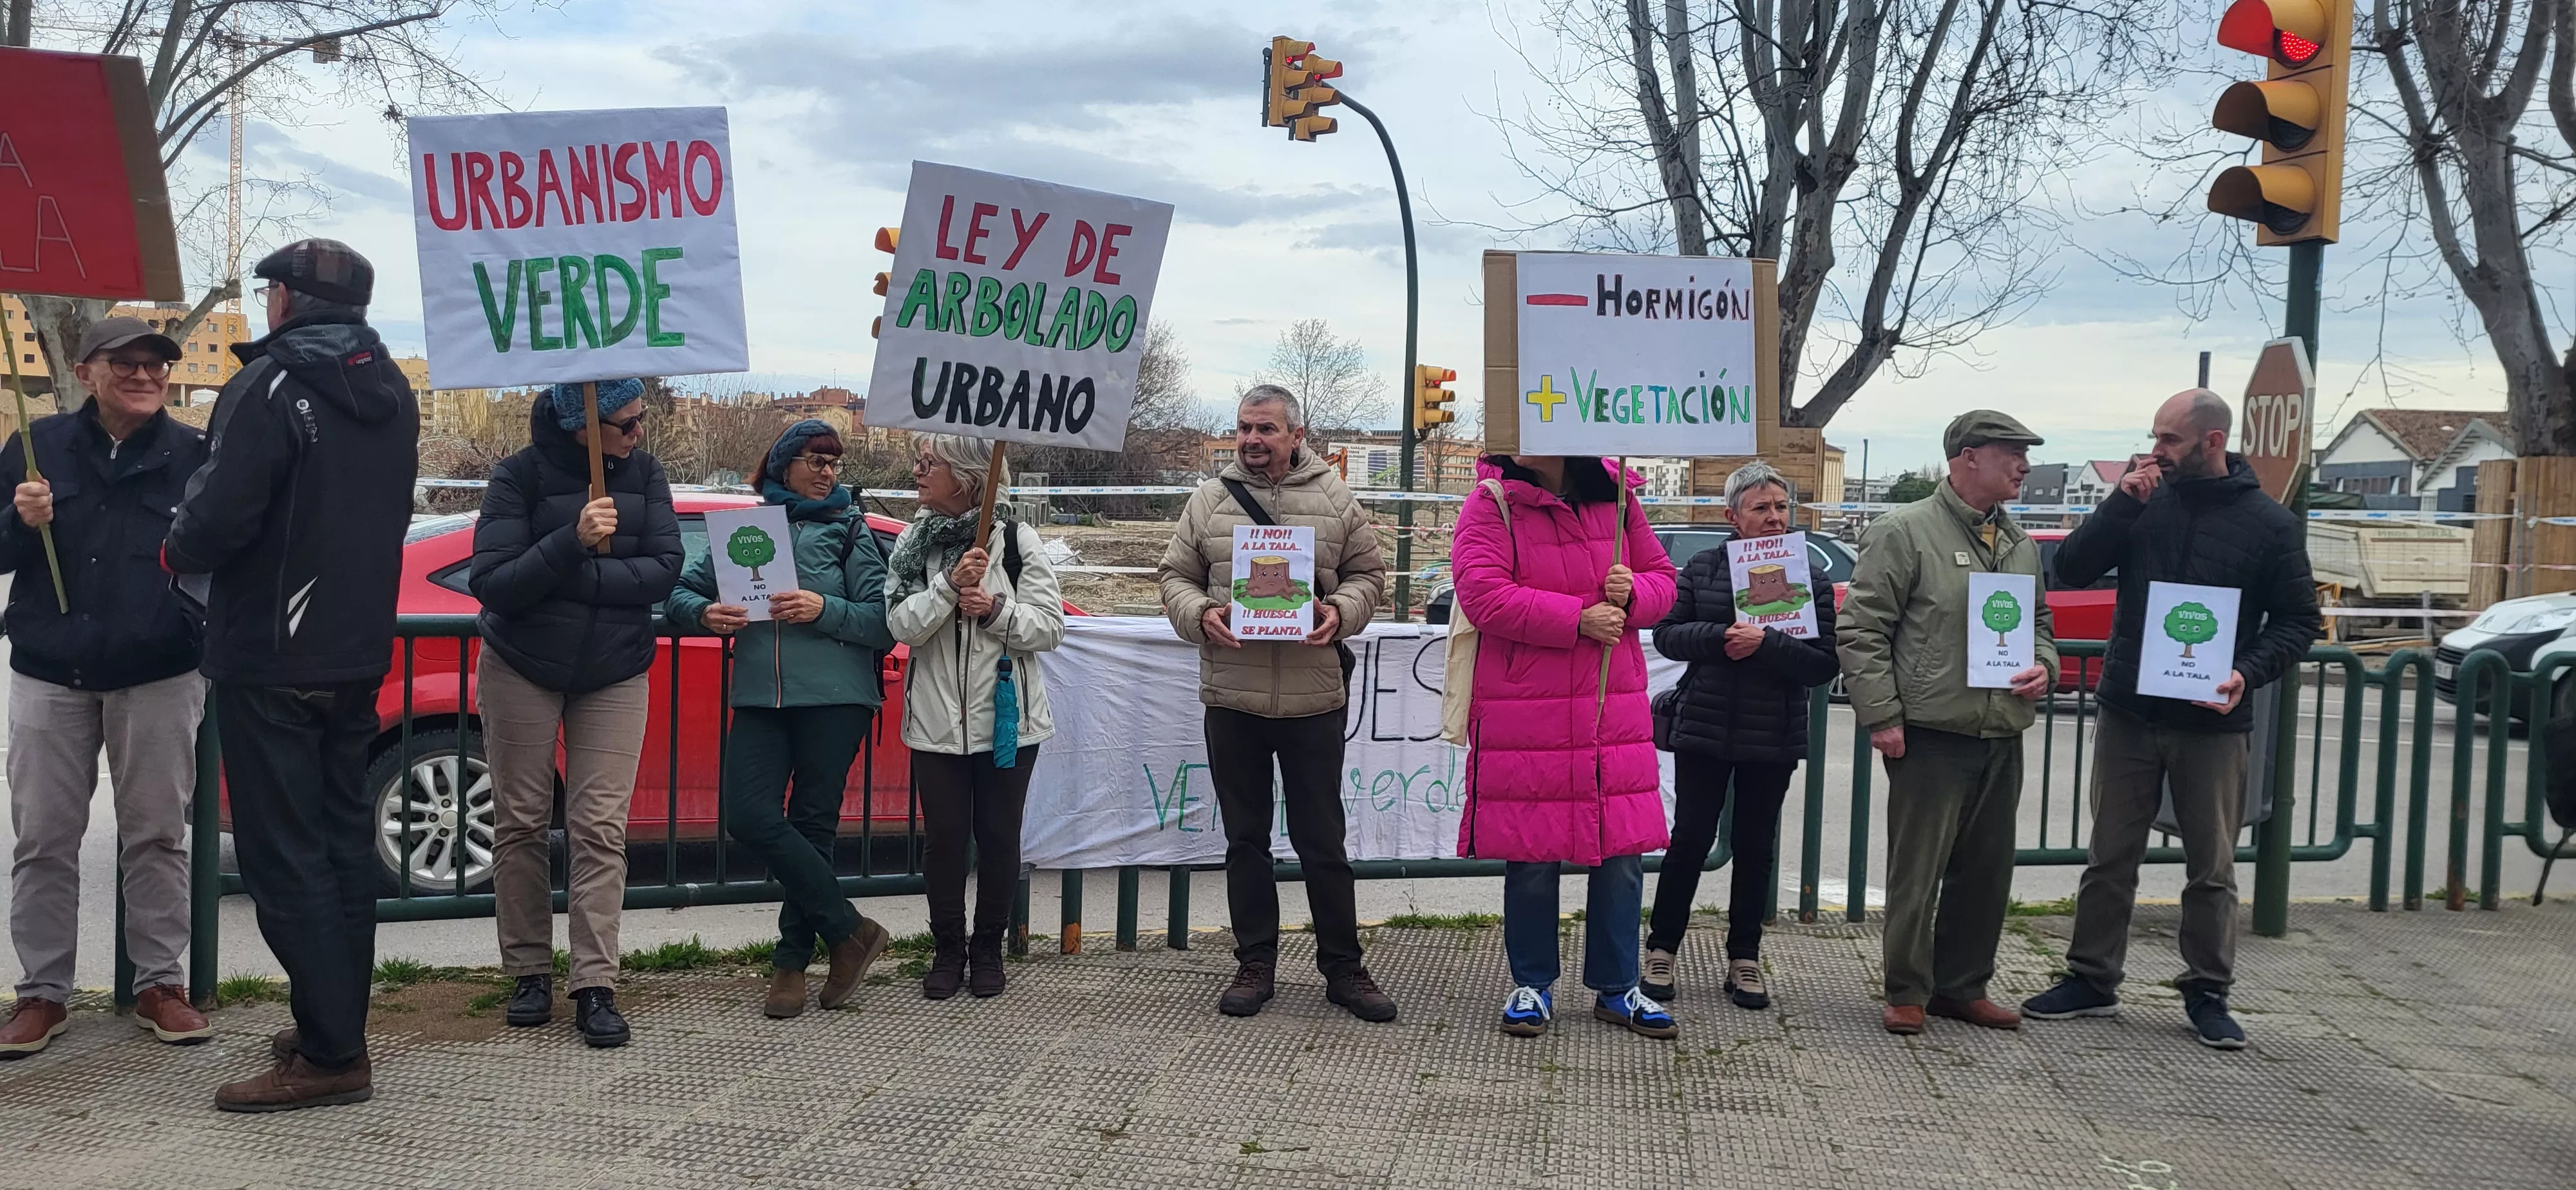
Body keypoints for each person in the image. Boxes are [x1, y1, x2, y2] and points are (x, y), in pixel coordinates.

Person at [165, 239, 417, 1110]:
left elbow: (214, 518)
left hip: (272, 654)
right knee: (346, 848)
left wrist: (173, 545)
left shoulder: (269, 384)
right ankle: (330, 1022)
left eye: (270, 289)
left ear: (287, 302)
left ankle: (333, 1055)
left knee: (282, 862)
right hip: (355, 654)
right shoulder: (392, 389)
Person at [2019, 390, 2318, 1050]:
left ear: (2212, 443)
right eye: (2153, 436)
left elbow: (2299, 623)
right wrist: (2121, 502)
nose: (2156, 450)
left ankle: (2208, 990)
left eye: (2170, 440)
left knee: (2210, 865)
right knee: (2109, 855)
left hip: (2211, 723)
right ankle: (2091, 979)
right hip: (2129, 709)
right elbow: (2068, 569)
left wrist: (2245, 672)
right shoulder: (2142, 502)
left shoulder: (2269, 524)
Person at [0, 318, 211, 1059]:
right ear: (88, 370)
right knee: (44, 842)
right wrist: (21, 524)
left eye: (157, 364)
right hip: (49, 674)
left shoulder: (195, 455)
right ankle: (43, 994)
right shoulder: (35, 447)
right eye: (127, 362)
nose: (146, 374)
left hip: (159, 674)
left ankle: (161, 984)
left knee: (157, 836)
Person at [1154, 386, 1396, 1023]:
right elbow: (1172, 577)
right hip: (1233, 697)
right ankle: (1254, 963)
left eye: (1265, 429)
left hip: (1314, 700)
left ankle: (1344, 968)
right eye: (1243, 428)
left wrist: (1338, 612)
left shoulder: (1337, 497)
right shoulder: (1208, 501)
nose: (1252, 440)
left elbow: (1370, 577)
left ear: (1295, 434)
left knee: (1323, 843)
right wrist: (1201, 614)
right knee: (1245, 841)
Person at [469, 377, 682, 1048]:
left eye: (641, 419)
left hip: (615, 669)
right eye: (625, 423)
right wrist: (571, 539)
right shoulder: (517, 476)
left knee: (598, 827)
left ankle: (596, 983)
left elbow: (663, 571)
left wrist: (575, 579)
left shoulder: (646, 476)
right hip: (522, 665)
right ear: (580, 426)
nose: (638, 433)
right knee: (523, 822)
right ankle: (528, 971)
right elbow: (494, 583)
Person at [668, 420, 896, 1018]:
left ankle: (791, 963)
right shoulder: (745, 528)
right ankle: (851, 931)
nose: (827, 473)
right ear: (783, 464)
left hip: (836, 698)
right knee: (747, 816)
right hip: (759, 698)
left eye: (833, 464)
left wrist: (822, 609)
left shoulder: (850, 530)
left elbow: (881, 621)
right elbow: (681, 594)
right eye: (815, 461)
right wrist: (705, 613)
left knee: (813, 827)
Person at [1838, 410, 2056, 1037]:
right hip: (1929, 732)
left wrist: (2043, 665)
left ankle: (1962, 987)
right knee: (1918, 870)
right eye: (2011, 452)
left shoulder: (2017, 542)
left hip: (1999, 729)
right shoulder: (1903, 531)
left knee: (1986, 872)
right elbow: (1861, 628)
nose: (2024, 465)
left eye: (2025, 453)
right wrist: (1881, 715)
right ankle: (1906, 989)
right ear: (1967, 457)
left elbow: (2038, 623)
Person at [1454, 453, 1680, 1040]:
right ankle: (1532, 983)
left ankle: (1619, 987)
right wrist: (1579, 618)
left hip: (1612, 708)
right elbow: (1482, 595)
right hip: (1529, 709)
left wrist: (1635, 596)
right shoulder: (1492, 502)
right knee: (1531, 854)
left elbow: (1664, 582)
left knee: (1622, 853)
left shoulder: (1620, 497)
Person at [1644, 462, 1841, 1009]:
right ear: (1733, 516)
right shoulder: (1705, 568)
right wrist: (1719, 637)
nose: (1774, 518)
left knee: (1757, 847)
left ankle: (1745, 958)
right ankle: (1662, 949)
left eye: (1781, 507)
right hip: (1704, 726)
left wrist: (1768, 645)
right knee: (1688, 842)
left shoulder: (1811, 579)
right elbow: (1668, 635)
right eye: (1761, 508)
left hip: (1773, 733)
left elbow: (1824, 664)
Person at [886, 433, 1065, 998]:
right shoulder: (916, 542)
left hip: (1008, 722)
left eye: (929, 462)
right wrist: (947, 587)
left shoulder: (1016, 540)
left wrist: (994, 610)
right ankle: (946, 950)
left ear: (965, 476)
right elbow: (901, 626)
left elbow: (1050, 627)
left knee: (998, 835)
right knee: (943, 839)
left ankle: (988, 948)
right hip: (936, 725)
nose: (916, 470)